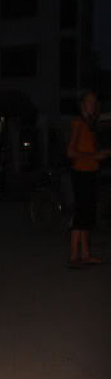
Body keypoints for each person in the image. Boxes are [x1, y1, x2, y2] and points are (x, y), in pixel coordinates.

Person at [67, 91, 110, 268]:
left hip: (90, 172)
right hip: (81, 173)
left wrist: (100, 155)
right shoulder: (78, 123)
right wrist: (95, 155)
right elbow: (70, 152)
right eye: (89, 101)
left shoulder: (90, 125)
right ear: (82, 104)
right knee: (81, 214)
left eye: (94, 101)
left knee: (87, 215)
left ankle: (85, 254)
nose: (92, 105)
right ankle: (74, 256)